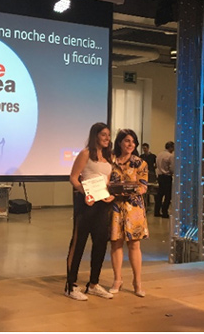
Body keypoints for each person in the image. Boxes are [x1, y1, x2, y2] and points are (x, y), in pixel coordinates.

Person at [65, 122, 115, 301]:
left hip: (103, 203)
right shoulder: (85, 153)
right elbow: (73, 178)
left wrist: (109, 194)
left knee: (100, 243)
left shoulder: (109, 157)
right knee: (78, 243)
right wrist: (84, 192)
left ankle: (93, 284)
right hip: (86, 203)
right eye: (103, 135)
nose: (107, 138)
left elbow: (106, 180)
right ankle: (71, 285)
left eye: (108, 135)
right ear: (95, 136)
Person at [109, 129, 149, 298]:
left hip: (134, 209)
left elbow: (143, 186)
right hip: (115, 207)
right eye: (127, 140)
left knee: (134, 245)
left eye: (133, 141)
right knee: (116, 244)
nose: (130, 144)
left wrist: (129, 189)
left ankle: (137, 282)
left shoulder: (140, 163)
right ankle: (117, 280)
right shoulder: (110, 161)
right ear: (119, 142)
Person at [155, 141, 175, 218]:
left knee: (160, 194)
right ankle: (164, 212)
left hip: (160, 176)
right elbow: (172, 168)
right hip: (167, 177)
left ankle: (156, 211)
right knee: (168, 195)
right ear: (171, 147)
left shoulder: (159, 154)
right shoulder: (170, 156)